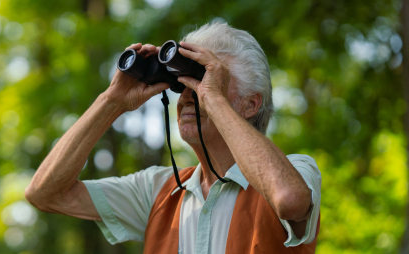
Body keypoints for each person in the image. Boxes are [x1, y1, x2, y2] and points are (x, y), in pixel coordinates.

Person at [25, 22, 321, 254]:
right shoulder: (159, 191)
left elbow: (290, 200)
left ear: (250, 104)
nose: (189, 97)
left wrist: (213, 100)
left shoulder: (295, 172)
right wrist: (111, 101)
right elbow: (44, 193)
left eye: (207, 80)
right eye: (184, 85)